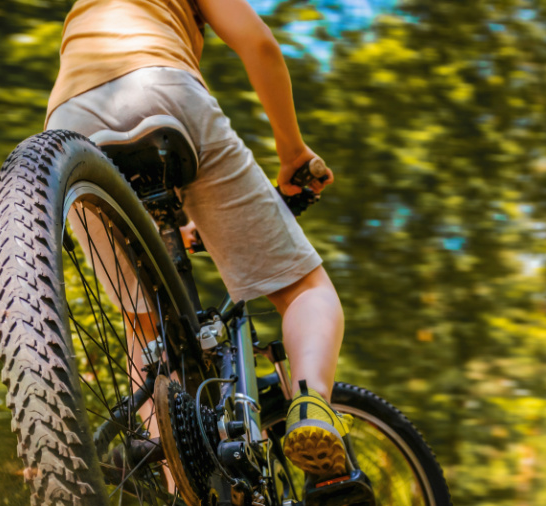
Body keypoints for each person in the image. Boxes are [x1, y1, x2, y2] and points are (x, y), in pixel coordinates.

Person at [46, 0, 350, 478]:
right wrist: (292, 151)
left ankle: (176, 501)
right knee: (303, 290)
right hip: (162, 89)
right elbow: (259, 44)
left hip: (69, 121)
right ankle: (311, 408)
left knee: (144, 325)